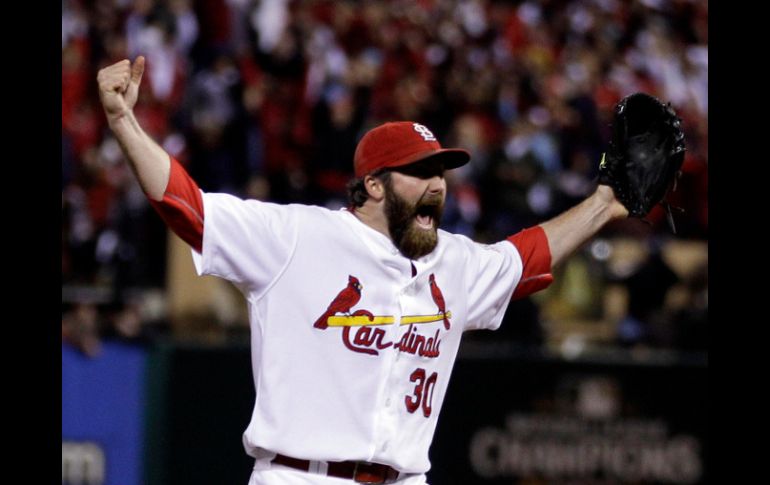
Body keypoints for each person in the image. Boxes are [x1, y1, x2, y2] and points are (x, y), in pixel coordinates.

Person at [97, 56, 628, 485]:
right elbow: (187, 206)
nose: (437, 185)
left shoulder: (455, 260)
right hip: (301, 476)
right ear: (374, 185)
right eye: (420, 172)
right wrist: (124, 122)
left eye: (440, 172)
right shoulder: (298, 237)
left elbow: (526, 257)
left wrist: (603, 203)